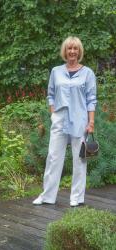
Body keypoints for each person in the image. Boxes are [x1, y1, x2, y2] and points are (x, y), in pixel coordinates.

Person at [33, 36, 97, 207]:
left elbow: (91, 99)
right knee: (53, 157)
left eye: (75, 49)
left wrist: (91, 122)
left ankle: (76, 198)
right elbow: (51, 95)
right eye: (69, 48)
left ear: (79, 52)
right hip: (59, 120)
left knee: (79, 159)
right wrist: (53, 114)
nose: (72, 52)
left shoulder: (88, 73)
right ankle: (47, 196)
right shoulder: (56, 71)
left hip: (80, 120)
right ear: (65, 51)